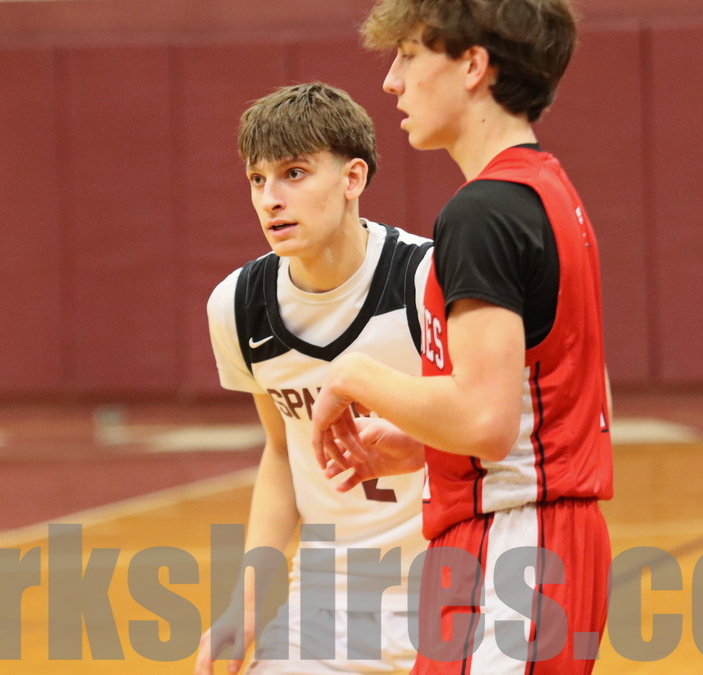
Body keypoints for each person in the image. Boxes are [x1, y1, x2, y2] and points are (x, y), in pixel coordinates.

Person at [309, 1, 613, 673]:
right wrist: (427, 446)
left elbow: (485, 422)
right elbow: (552, 400)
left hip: (516, 544)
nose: (392, 80)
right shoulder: (548, 192)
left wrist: (354, 374)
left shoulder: (484, 212)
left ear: (473, 65)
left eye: (410, 55)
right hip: (535, 536)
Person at [196, 82, 433, 675]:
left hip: (456, 584)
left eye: (294, 174)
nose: (270, 199)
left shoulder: (427, 280)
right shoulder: (238, 305)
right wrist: (246, 605)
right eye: (257, 179)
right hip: (326, 605)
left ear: (353, 178)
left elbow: (498, 424)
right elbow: (282, 452)